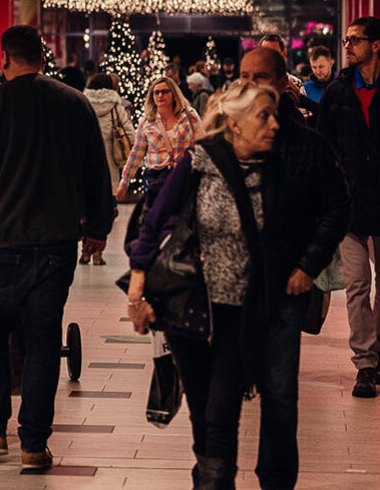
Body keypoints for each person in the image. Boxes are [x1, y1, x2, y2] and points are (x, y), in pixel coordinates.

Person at [129, 77, 346, 490]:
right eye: (263, 117)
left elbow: (319, 214)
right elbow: (153, 220)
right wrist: (139, 290)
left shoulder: (278, 171)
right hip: (193, 308)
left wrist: (306, 265)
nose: (274, 125)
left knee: (222, 408)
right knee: (201, 410)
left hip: (245, 312)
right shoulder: (199, 161)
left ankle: (215, 482)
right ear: (235, 124)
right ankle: (209, 474)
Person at [0, 25, 114, 471]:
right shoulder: (74, 102)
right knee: (44, 341)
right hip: (55, 243)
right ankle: (34, 445)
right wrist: (98, 227)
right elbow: (95, 172)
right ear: (43, 56)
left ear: (5, 57)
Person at [316, 17, 380, 398]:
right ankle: (366, 363)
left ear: (376, 45)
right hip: (351, 205)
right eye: (346, 40)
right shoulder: (339, 92)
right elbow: (323, 147)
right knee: (357, 285)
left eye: (355, 40)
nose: (348, 46)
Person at [117, 75, 202, 211]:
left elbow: (202, 143)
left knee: (182, 217)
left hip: (183, 174)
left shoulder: (188, 115)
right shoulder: (147, 122)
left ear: (173, 94)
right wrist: (124, 182)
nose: (160, 95)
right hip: (155, 176)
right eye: (156, 92)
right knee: (156, 217)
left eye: (165, 92)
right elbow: (136, 154)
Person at [83, 72, 134, 266]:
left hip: (87, 162)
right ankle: (98, 252)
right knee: (107, 209)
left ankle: (85, 250)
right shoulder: (116, 106)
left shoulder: (83, 102)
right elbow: (129, 131)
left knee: (87, 208)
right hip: (111, 162)